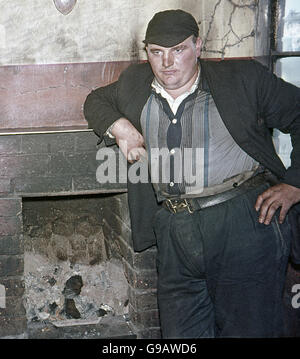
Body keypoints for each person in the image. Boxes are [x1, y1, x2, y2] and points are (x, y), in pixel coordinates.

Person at [84, 9, 300, 338]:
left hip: (242, 220)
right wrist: (121, 128)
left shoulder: (241, 78)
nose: (167, 63)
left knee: (250, 330)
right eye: (157, 52)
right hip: (175, 229)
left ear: (198, 46)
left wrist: (295, 184)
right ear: (147, 54)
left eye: (178, 50)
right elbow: (95, 100)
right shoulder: (135, 83)